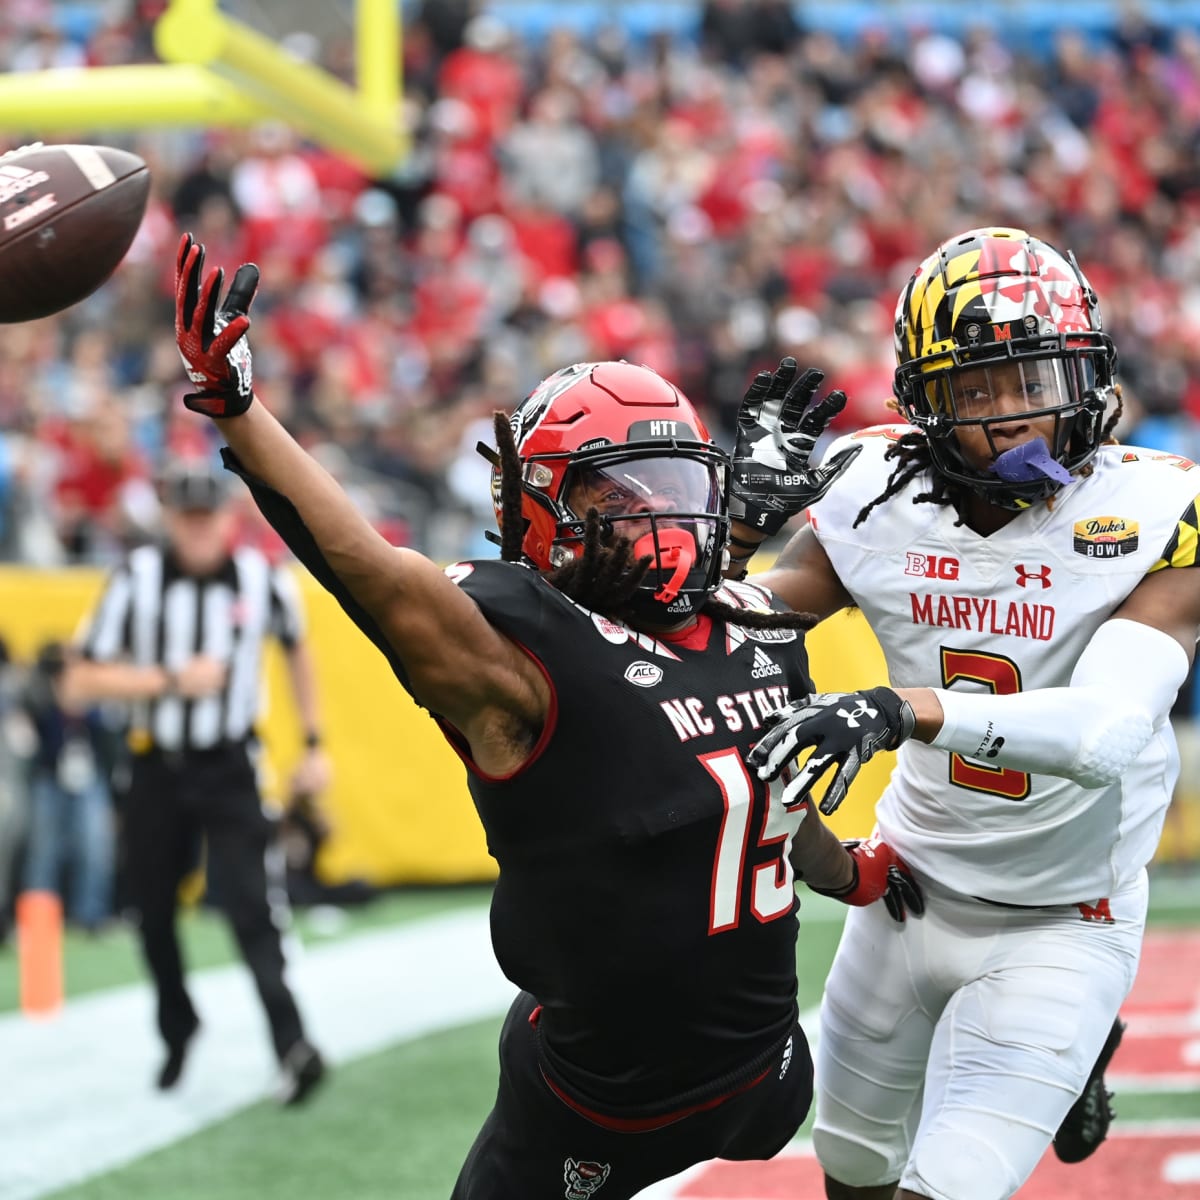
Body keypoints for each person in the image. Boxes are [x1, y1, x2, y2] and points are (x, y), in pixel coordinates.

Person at [169, 232, 922, 1199]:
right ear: (541, 511)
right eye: (618, 495)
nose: (657, 521)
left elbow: (744, 784)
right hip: (765, 1082)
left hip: (603, 1107)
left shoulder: (714, 623)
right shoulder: (709, 628)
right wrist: (851, 872)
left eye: (673, 490)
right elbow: (373, 570)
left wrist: (241, 412)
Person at [726, 226, 1200, 1200]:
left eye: (1031, 376)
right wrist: (730, 533)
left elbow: (1107, 732)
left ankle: (1082, 1037)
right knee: (851, 1173)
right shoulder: (874, 493)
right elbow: (727, 633)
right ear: (923, 405)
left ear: (1085, 370)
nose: (1011, 414)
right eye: (973, 389)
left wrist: (905, 710)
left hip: (1066, 914)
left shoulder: (1154, 512)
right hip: (911, 888)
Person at [61, 457, 332, 1105]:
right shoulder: (137, 578)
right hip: (157, 762)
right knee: (151, 909)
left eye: (208, 518)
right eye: (188, 519)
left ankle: (292, 1044)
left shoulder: (262, 580)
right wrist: (169, 680)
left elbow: (298, 649)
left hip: (231, 765)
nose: (199, 531)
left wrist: (315, 741)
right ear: (171, 522)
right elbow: (76, 680)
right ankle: (178, 1026)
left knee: (251, 905)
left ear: (228, 522)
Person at [20, 640, 120, 932]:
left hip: (88, 778)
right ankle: (38, 918)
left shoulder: (96, 698)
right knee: (44, 850)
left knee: (94, 845)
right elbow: (34, 734)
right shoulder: (40, 694)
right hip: (50, 778)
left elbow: (108, 736)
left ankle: (90, 914)